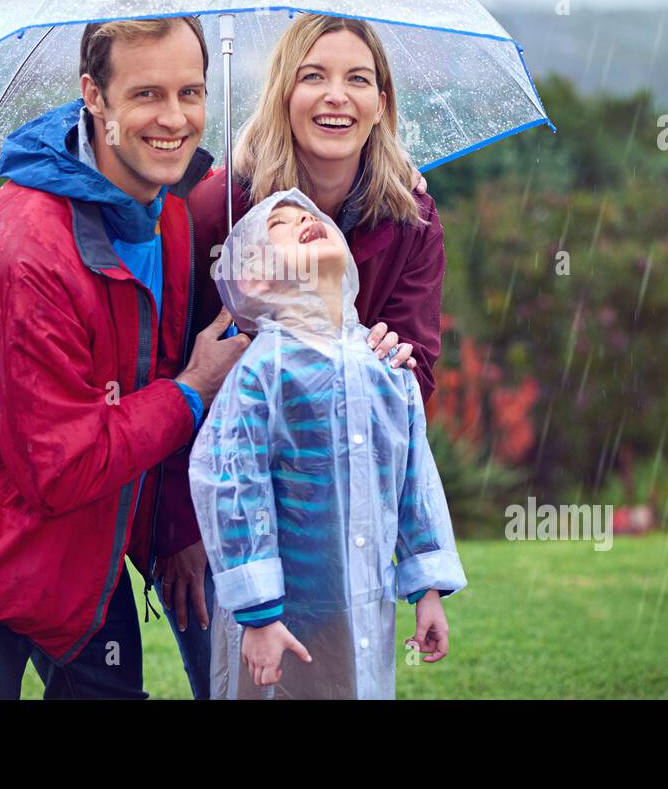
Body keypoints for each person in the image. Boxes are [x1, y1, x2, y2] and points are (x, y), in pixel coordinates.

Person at [0, 16, 249, 699]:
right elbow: (62, 466)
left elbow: (142, 379)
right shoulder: (24, 251)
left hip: (85, 560)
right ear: (94, 96)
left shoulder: (168, 214)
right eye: (146, 94)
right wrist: (193, 390)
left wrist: (173, 528)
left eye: (191, 93)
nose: (175, 119)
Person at [154, 14, 447, 698]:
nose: (336, 95)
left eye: (358, 79)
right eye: (313, 76)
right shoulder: (220, 209)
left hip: (340, 508)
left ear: (381, 103)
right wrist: (178, 530)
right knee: (240, 679)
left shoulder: (411, 217)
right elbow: (173, 371)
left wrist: (392, 359)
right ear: (284, 92)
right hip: (227, 506)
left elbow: (414, 379)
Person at [189, 188, 465, 699]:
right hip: (278, 615)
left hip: (363, 601)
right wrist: (258, 611)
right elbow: (231, 485)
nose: (302, 220)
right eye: (280, 226)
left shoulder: (388, 367)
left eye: (308, 215)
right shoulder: (262, 372)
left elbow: (413, 481)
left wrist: (427, 588)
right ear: (254, 278)